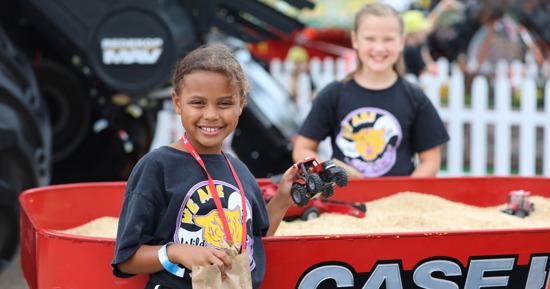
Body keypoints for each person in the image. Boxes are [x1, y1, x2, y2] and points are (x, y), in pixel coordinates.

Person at [111, 43, 298, 289]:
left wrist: (283, 198)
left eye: (224, 103)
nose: (211, 115)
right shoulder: (157, 167)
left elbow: (255, 241)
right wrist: (176, 252)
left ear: (241, 104)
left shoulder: (240, 171)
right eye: (198, 103)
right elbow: (126, 260)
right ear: (177, 103)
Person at [292, 2, 450, 178]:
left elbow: (431, 161)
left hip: (397, 203)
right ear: (355, 40)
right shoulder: (333, 94)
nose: (379, 48)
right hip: (344, 202)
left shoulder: (415, 98)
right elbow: (302, 148)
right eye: (370, 39)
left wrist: (405, 194)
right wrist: (327, 174)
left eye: (388, 39)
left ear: (401, 42)